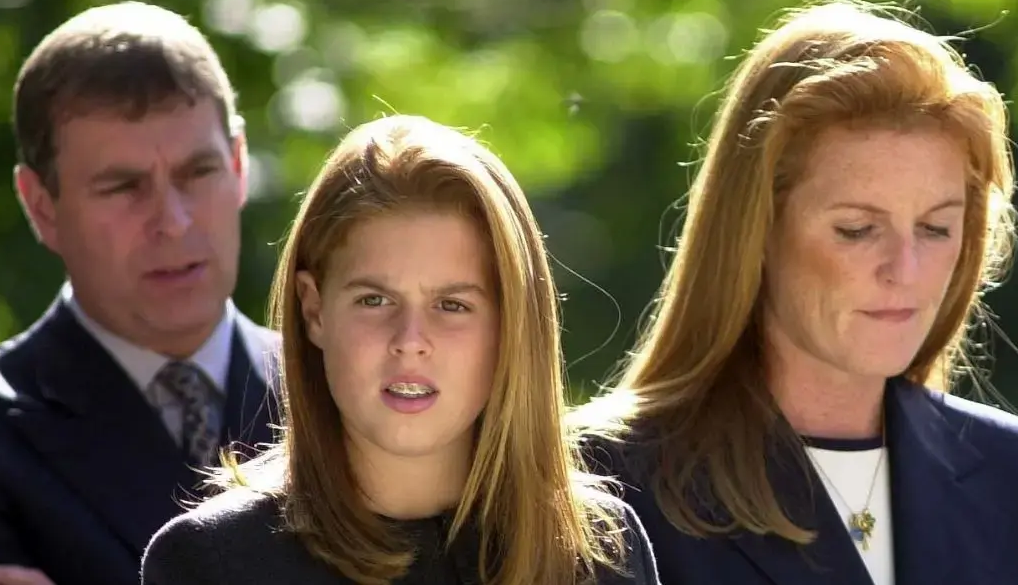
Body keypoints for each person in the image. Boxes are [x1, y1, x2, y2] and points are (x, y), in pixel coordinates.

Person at [570, 0, 1018, 585]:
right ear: (757, 231)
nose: (905, 268)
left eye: (935, 228)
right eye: (857, 229)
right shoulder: (601, 482)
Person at [139, 115, 660, 585]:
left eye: (452, 305)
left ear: (511, 327)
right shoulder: (209, 563)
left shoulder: (600, 552)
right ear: (314, 310)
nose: (410, 341)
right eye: (374, 299)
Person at [0, 2, 279, 585]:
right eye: (123, 187)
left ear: (240, 165)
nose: (172, 221)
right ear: (42, 206)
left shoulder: (344, 394)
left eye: (198, 173)